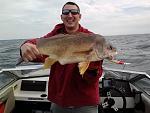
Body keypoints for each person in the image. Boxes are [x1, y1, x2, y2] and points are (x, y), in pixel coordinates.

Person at [20, 2, 103, 113]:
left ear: (80, 16)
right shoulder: (55, 35)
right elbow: (39, 43)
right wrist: (25, 45)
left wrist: (92, 63)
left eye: (74, 12)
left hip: (85, 103)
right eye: (66, 12)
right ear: (61, 17)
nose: (70, 15)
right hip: (60, 102)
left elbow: (92, 79)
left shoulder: (93, 39)